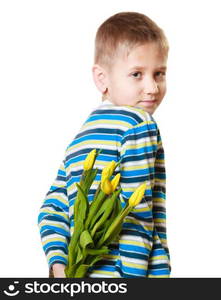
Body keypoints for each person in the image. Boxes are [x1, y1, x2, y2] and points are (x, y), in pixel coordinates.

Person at [38, 12, 170, 278]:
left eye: (159, 73)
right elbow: (137, 216)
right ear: (102, 78)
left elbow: (51, 209)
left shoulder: (81, 137)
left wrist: (59, 264)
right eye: (137, 74)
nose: (152, 87)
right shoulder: (138, 124)